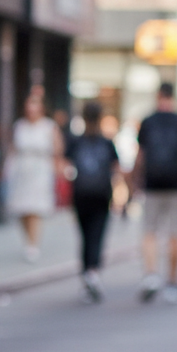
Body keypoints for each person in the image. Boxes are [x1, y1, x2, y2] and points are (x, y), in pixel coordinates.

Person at [132, 82, 177, 303]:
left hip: (152, 184)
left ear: (158, 96)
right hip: (175, 185)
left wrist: (134, 181)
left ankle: (151, 275)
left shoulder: (148, 122)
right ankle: (173, 283)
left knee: (149, 231)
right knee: (175, 234)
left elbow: (140, 155)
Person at [65, 102, 120, 303]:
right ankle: (93, 271)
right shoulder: (106, 142)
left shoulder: (76, 141)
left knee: (85, 235)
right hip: (102, 194)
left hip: (81, 195)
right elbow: (116, 169)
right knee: (97, 234)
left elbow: (65, 166)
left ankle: (87, 273)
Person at [3, 93, 63, 262]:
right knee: (21, 209)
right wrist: (8, 170)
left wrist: (58, 172)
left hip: (40, 170)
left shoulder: (49, 126)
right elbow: (13, 149)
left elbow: (57, 151)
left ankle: (33, 245)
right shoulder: (19, 126)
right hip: (21, 170)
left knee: (34, 208)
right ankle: (27, 240)